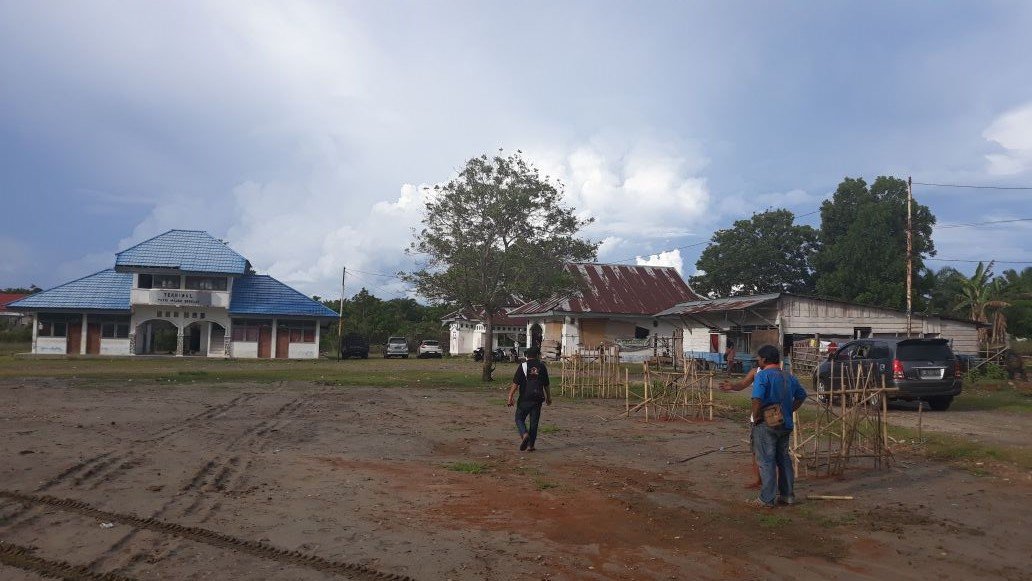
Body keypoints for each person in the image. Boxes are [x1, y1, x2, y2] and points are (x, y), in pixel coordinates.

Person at [750, 344, 806, 508]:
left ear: (764, 360)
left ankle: (767, 498)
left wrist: (757, 417)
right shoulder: (789, 376)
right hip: (785, 423)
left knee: (766, 461)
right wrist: (789, 410)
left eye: (758, 359)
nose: (757, 361)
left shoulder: (763, 376)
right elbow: (801, 395)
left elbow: (757, 399)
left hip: (766, 424)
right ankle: (787, 495)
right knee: (783, 459)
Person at [719, 367, 761, 488]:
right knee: (755, 451)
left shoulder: (779, 373)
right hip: (757, 419)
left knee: (770, 454)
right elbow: (742, 384)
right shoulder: (755, 372)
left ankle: (772, 485)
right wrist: (732, 386)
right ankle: (759, 480)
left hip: (771, 419)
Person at [506, 346, 552, 451]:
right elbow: (546, 384)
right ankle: (531, 445)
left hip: (525, 398)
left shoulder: (523, 366)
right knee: (534, 422)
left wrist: (510, 396)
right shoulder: (542, 366)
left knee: (519, 418)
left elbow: (516, 383)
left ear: (527, 356)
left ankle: (524, 434)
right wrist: (548, 398)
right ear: (537, 355)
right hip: (538, 398)